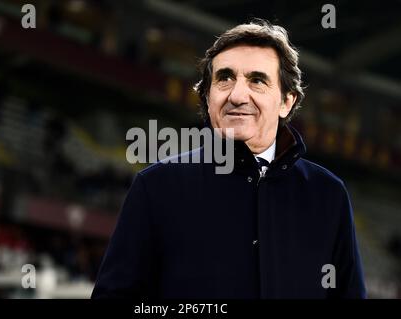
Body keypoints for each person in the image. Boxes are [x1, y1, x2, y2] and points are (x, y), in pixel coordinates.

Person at [91, 20, 366, 299]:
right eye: (224, 78)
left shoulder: (328, 195)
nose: (237, 95)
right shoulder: (156, 187)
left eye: (257, 80)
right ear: (207, 97)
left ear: (286, 101)